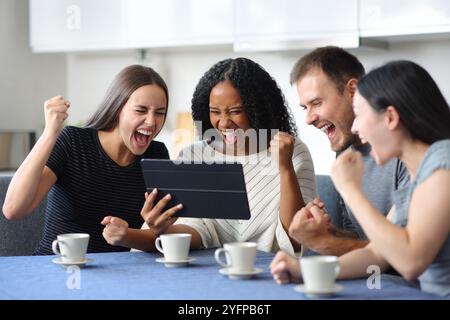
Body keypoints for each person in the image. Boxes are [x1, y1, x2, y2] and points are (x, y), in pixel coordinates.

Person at [103, 57, 317, 255]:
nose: (223, 123)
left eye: (235, 111)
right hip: (205, 276)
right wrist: (162, 230)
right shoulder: (193, 155)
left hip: (273, 276)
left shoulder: (293, 152)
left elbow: (297, 239)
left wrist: (285, 167)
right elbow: (195, 232)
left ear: (258, 109)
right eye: (215, 111)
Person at [271, 60, 450, 296]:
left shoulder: (443, 166)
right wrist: (305, 269)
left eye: (360, 114)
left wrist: (349, 189)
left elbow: (410, 262)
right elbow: (376, 253)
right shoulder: (421, 175)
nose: (355, 127)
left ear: (390, 118)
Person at [2, 65, 180, 255]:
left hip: (119, 275)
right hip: (56, 268)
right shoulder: (73, 142)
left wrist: (136, 233)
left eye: (159, 112)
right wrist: (50, 132)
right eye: (141, 110)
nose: (152, 122)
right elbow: (14, 209)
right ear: (117, 108)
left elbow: (160, 240)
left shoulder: (156, 154)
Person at [287, 46, 408, 256]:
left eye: (316, 103)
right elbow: (361, 238)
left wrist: (322, 242)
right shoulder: (346, 152)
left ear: (352, 90)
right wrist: (329, 232)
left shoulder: (404, 151)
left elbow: (397, 252)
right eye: (305, 108)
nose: (308, 119)